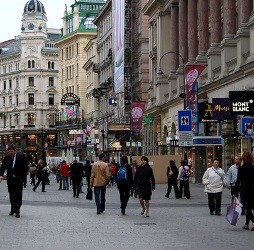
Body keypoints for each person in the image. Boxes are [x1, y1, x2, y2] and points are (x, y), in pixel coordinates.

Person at [0, 144, 28, 218]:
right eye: (9, 151)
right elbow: (2, 167)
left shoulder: (21, 157)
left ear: (15, 151)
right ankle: (12, 209)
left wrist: (23, 179)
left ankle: (17, 210)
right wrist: (1, 175)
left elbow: (25, 168)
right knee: (11, 195)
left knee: (18, 195)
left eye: (11, 151)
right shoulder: (6, 158)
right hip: (10, 180)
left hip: (19, 180)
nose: (10, 153)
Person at [234, 152, 254, 231]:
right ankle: (246, 224)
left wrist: (235, 190)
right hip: (252, 189)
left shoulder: (241, 168)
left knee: (247, 207)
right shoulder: (253, 168)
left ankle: (253, 222)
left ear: (243, 159)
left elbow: (238, 181)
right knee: (249, 206)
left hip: (244, 190)